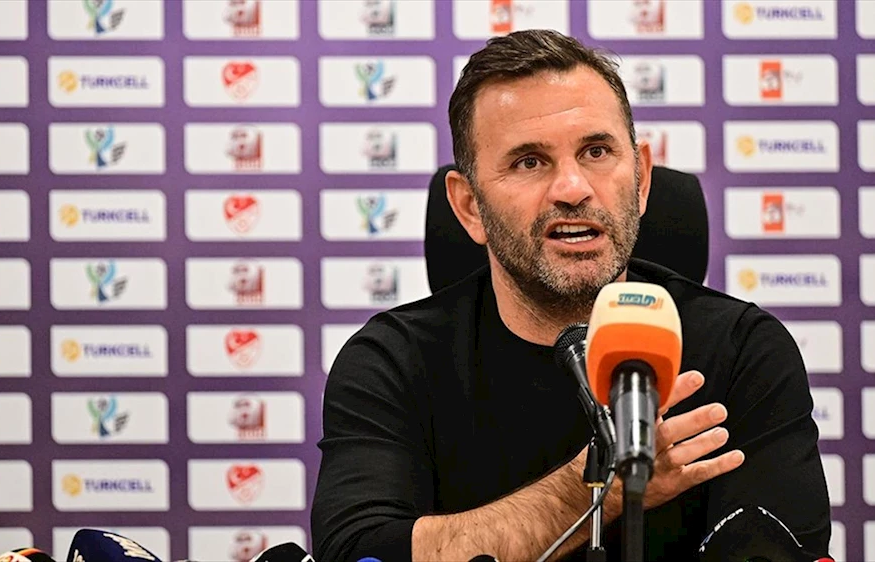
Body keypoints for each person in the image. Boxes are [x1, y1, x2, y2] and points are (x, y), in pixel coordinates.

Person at [311, 29, 832, 562]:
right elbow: (360, 550)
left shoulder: (742, 350)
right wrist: (596, 489)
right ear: (469, 207)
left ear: (641, 179)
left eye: (596, 152)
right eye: (529, 162)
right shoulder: (392, 361)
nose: (573, 188)